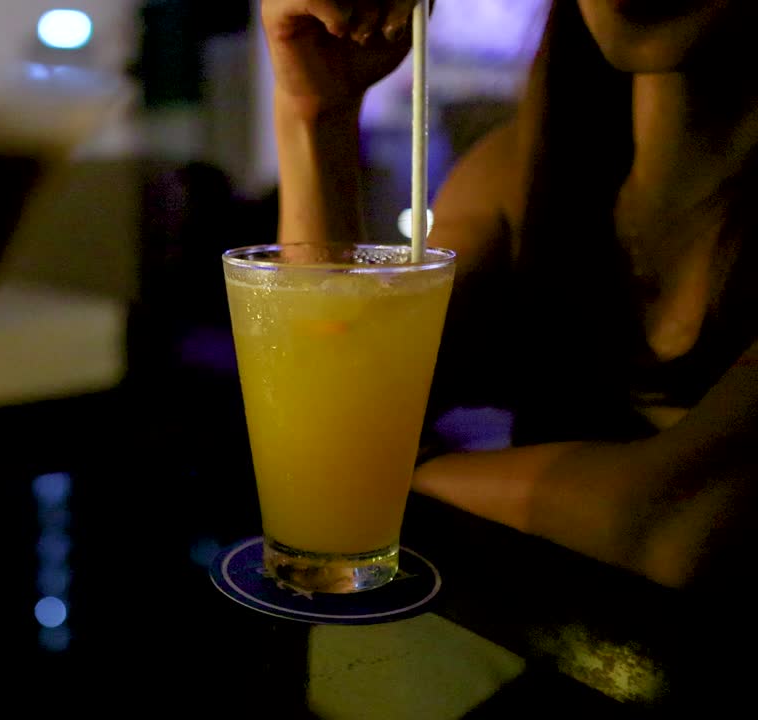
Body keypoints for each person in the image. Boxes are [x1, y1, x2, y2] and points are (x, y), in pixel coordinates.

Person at [260, 0, 758, 590]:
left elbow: (667, 521)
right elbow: (329, 416)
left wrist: (379, 478)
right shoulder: (518, 176)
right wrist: (315, 114)